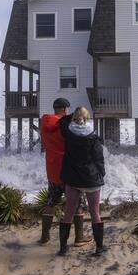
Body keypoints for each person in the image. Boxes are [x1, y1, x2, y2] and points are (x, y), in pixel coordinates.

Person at [38, 98, 88, 245]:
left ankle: (44, 236)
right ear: (65, 109)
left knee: (51, 202)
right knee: (77, 202)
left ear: (54, 108)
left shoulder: (45, 123)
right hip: (69, 170)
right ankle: (79, 238)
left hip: (53, 170)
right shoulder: (67, 124)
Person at [58, 106, 106, 256]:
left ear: (74, 118)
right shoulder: (93, 136)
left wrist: (72, 115)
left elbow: (63, 121)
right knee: (95, 213)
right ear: (87, 119)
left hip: (73, 179)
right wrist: (101, 174)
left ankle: (63, 249)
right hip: (91, 179)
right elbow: (98, 159)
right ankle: (99, 248)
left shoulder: (68, 133)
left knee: (68, 213)